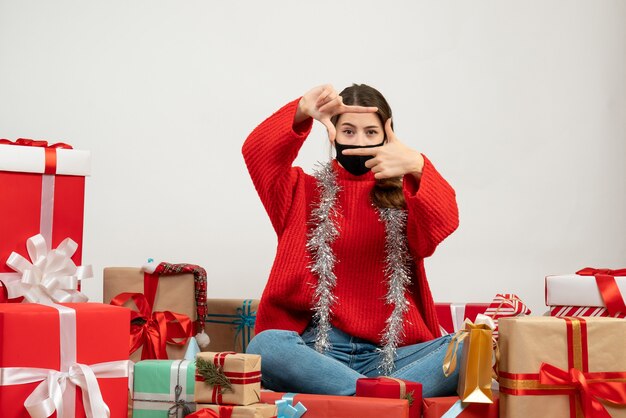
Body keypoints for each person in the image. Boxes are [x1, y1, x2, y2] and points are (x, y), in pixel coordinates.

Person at [242, 83, 460, 397]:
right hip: (317, 352)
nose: (359, 141)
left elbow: (445, 221)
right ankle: (379, 401)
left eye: (371, 132)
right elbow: (257, 153)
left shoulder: (407, 196)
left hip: (390, 356)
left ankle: (360, 399)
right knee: (266, 346)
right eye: (348, 130)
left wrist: (417, 165)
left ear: (388, 137)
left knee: (469, 348)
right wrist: (302, 110)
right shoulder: (300, 192)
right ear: (333, 133)